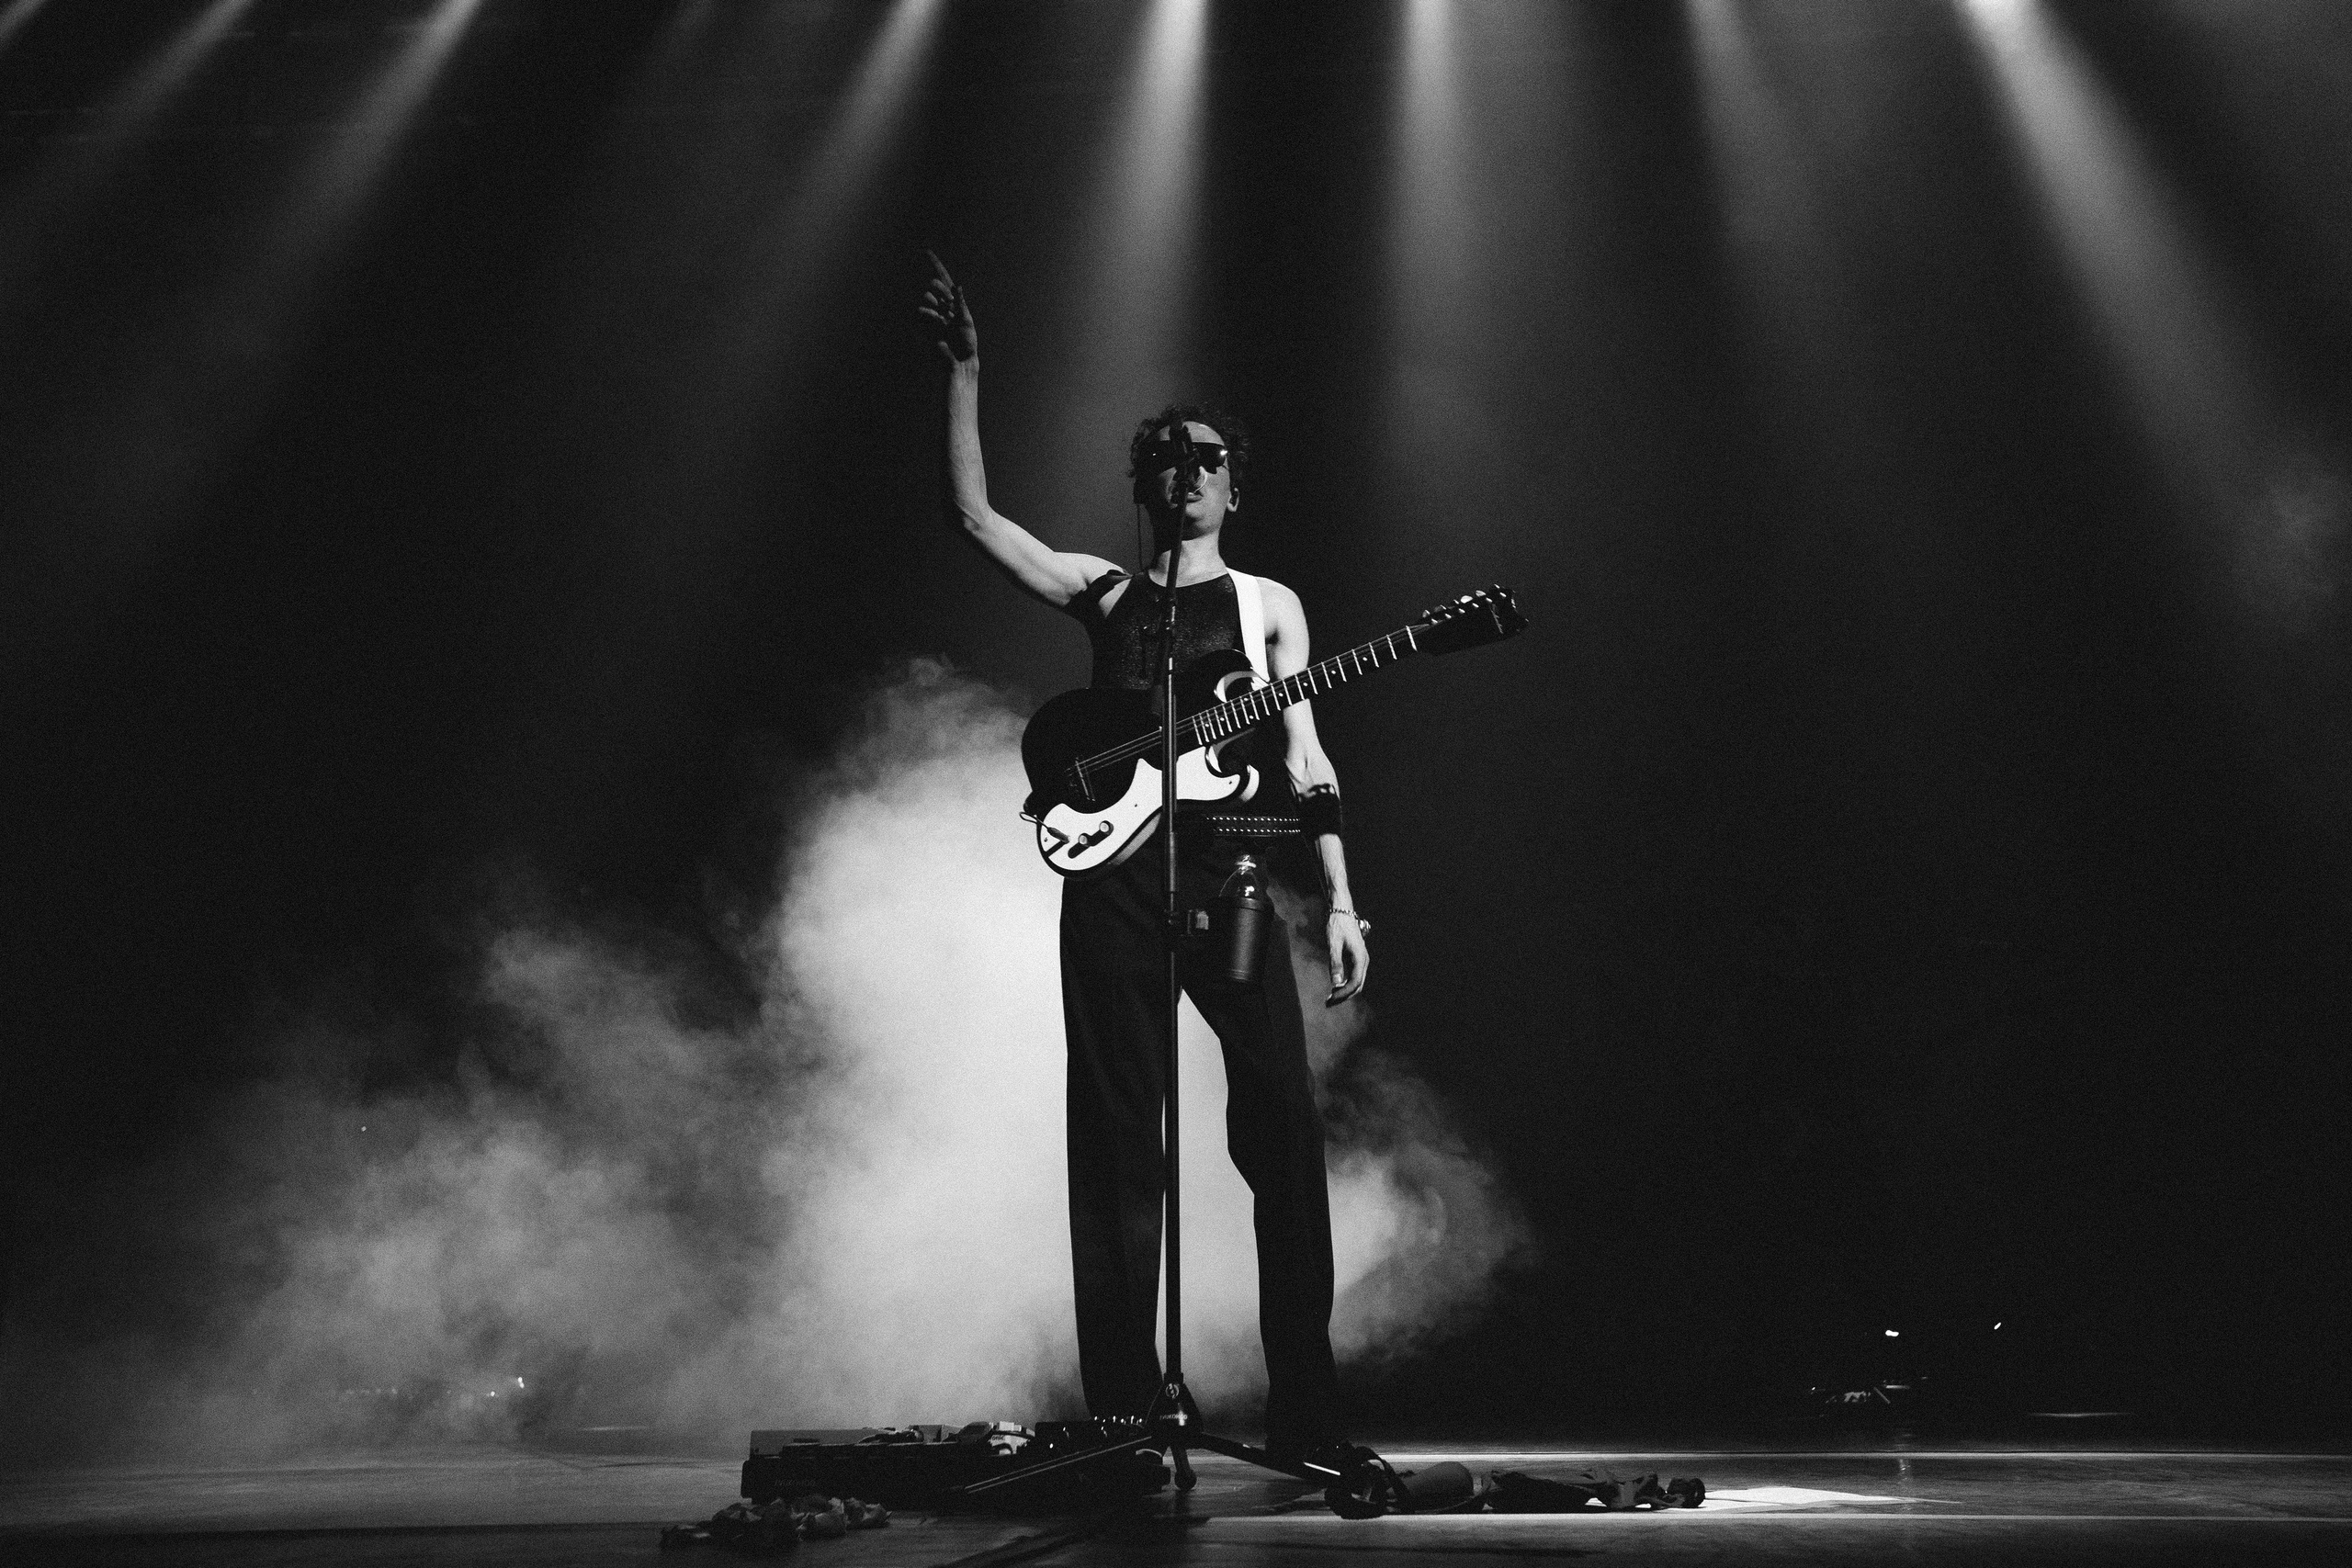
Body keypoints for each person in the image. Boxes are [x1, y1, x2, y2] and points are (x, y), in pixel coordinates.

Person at [919, 254, 1369, 1464]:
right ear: (1145, 484)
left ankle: (1306, 1401)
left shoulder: (1271, 603)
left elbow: (1308, 758)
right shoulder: (1109, 594)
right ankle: (1125, 1405)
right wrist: (966, 374)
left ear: (1235, 482)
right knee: (1119, 1135)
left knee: (1277, 1120)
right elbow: (978, 522)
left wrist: (1337, 898)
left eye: (1208, 459)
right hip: (1113, 886)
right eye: (1168, 460)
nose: (1190, 475)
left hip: (1227, 885)